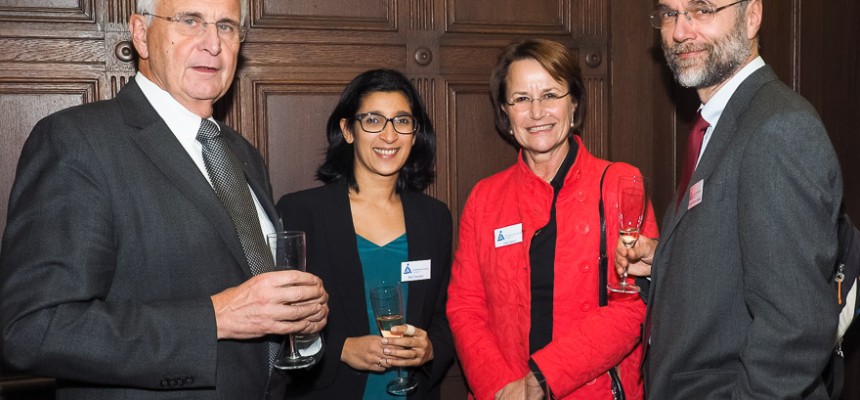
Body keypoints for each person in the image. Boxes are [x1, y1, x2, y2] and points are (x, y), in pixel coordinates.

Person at [0, 0, 329, 398]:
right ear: (140, 34)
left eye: (226, 26)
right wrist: (215, 318)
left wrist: (300, 326)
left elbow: (257, 306)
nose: (213, 44)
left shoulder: (242, 154)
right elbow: (32, 329)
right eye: (191, 21)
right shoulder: (78, 142)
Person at [615, 1, 843, 398]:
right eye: (670, 13)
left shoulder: (779, 128)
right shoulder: (719, 122)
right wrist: (664, 260)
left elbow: (795, 330)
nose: (681, 32)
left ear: (752, 16)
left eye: (701, 9)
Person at [446, 39, 658, 400]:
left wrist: (542, 379)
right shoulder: (485, 198)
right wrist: (502, 388)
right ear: (505, 112)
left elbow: (633, 307)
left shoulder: (620, 184)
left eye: (550, 95)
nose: (537, 112)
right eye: (521, 99)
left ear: (573, 102)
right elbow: (466, 305)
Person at [275, 69, 455, 399]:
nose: (389, 135)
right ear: (347, 130)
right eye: (373, 120)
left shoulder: (434, 218)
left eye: (402, 121)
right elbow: (279, 318)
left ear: (415, 135)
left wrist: (429, 349)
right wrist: (341, 349)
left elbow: (448, 315)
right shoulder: (302, 212)